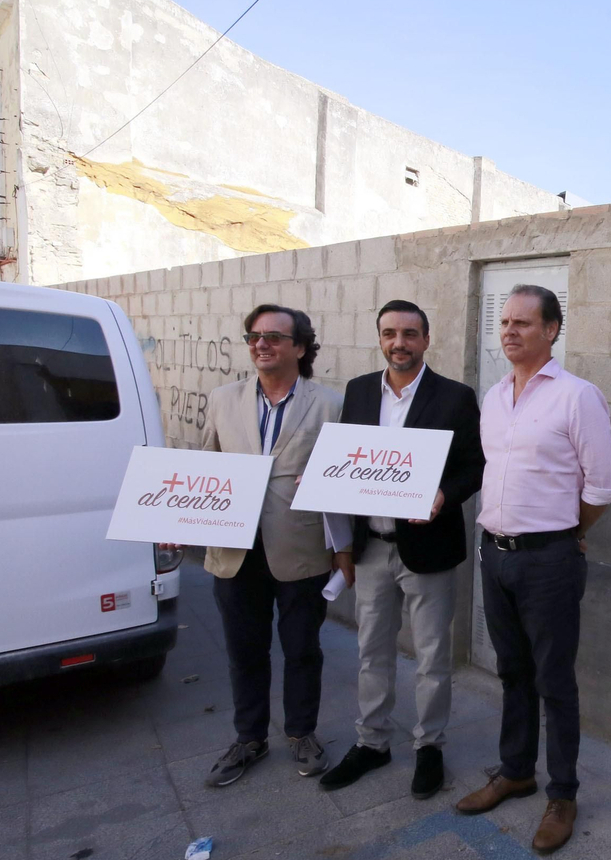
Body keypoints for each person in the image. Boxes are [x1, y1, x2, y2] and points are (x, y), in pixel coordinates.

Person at [454, 284, 611, 854]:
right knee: (511, 671)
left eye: (524, 323)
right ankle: (515, 771)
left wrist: (568, 533)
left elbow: (601, 486)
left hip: (549, 558)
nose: (510, 331)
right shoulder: (495, 398)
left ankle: (563, 794)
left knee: (554, 680)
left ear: (552, 330)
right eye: (504, 322)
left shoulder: (577, 397)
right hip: (494, 555)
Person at [318, 300, 485, 798]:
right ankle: (372, 743)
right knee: (371, 651)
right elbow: (348, 460)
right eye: (390, 333)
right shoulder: (359, 391)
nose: (400, 343)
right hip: (372, 547)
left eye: (410, 334)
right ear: (380, 338)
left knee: (432, 656)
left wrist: (444, 495)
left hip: (428, 545)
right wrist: (324, 481)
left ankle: (429, 746)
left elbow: (475, 465)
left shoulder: (454, 396)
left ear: (426, 340)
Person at [201, 304, 352, 788]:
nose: (260, 344)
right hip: (234, 550)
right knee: (245, 651)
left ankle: (301, 733)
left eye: (273, 336)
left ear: (300, 347)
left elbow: (344, 479)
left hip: (301, 548)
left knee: (302, 649)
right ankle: (249, 738)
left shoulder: (330, 404)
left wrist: (343, 550)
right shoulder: (223, 399)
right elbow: (207, 467)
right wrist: (179, 519)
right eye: (253, 336)